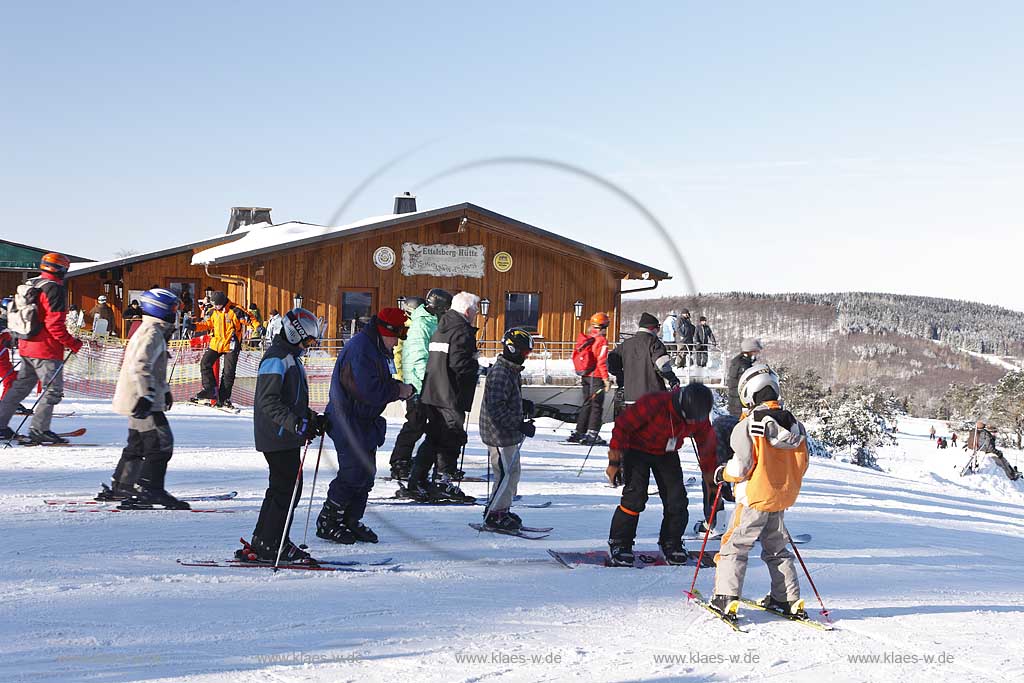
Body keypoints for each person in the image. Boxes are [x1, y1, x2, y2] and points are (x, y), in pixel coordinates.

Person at [709, 364, 809, 619]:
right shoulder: (796, 426)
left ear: (748, 394)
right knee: (777, 548)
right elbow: (803, 464)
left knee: (734, 546)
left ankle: (726, 597)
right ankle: (786, 598)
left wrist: (723, 473)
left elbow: (741, 466)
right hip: (781, 497)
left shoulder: (748, 425)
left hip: (754, 498)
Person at [317, 308, 415, 543]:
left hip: (363, 422)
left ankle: (350, 519)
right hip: (347, 420)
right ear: (386, 331)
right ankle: (329, 520)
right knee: (352, 473)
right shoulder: (362, 349)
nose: (397, 344)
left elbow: (378, 382)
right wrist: (398, 390)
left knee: (366, 474)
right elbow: (368, 390)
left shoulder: (377, 348)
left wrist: (397, 387)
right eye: (397, 337)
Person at [236, 307, 326, 562]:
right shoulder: (277, 358)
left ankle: (264, 539)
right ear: (294, 334)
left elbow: (291, 400)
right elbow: (269, 402)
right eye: (308, 340)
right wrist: (295, 423)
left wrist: (309, 418)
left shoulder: (289, 355)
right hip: (276, 435)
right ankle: (273, 544)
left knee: (282, 488)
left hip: (283, 433)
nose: (309, 346)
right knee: (286, 489)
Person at [605, 382, 716, 566]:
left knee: (677, 500)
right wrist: (615, 461)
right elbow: (622, 427)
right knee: (635, 497)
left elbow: (707, 447)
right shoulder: (654, 403)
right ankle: (620, 543)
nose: (691, 424)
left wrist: (711, 481)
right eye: (687, 419)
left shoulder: (698, 416)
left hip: (667, 453)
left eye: (694, 420)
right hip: (636, 450)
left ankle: (671, 542)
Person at [101, 288, 189, 508]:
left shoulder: (152, 329)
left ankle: (123, 485)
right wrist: (147, 396)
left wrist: (164, 389)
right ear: (159, 309)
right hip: (141, 399)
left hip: (138, 396)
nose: (175, 313)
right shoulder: (152, 332)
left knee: (138, 443)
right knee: (160, 443)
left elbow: (155, 368)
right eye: (173, 309)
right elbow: (140, 365)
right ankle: (150, 489)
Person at [405, 292, 481, 503]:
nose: (476, 314)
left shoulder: (442, 327)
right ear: (467, 311)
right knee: (451, 436)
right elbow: (459, 364)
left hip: (433, 391)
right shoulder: (461, 330)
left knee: (434, 436)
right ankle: (443, 481)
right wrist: (475, 364)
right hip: (450, 394)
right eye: (475, 310)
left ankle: (418, 479)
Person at [0, 253, 83, 444]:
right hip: (46, 350)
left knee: (20, 387)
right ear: (62, 269)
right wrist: (73, 343)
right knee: (53, 390)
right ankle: (39, 429)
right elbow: (55, 326)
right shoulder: (54, 289)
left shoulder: (33, 285)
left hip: (26, 344)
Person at [389, 289, 451, 480]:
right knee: (415, 423)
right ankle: (400, 462)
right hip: (418, 384)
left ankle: (428, 464)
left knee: (431, 425)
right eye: (445, 309)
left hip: (428, 383)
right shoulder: (421, 324)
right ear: (437, 307)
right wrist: (423, 384)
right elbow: (418, 358)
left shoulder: (431, 322)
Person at [479, 328, 536, 531]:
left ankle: (502, 509)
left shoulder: (510, 370)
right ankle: (495, 514)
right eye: (524, 353)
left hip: (507, 433)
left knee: (513, 473)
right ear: (512, 349)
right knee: (504, 474)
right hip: (498, 434)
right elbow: (496, 408)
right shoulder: (501, 373)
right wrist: (520, 424)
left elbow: (507, 399)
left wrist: (523, 404)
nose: (526, 357)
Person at [608, 312, 679, 406]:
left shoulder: (625, 344)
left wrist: (621, 376)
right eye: (658, 329)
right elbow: (662, 366)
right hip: (653, 397)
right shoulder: (654, 343)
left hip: (631, 398)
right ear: (652, 328)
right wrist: (673, 380)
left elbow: (611, 361)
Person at [189, 291, 246, 408]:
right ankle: (210, 390)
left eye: (217, 305)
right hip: (216, 343)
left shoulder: (235, 310)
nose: (215, 307)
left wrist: (258, 327)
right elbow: (207, 324)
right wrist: (194, 326)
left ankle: (223, 398)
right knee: (205, 363)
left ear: (223, 303)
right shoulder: (213, 312)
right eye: (214, 305)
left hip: (231, 344)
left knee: (228, 372)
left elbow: (249, 318)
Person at [566, 312, 611, 446]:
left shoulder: (587, 337)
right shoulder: (601, 340)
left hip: (585, 375)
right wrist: (606, 379)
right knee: (597, 406)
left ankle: (580, 431)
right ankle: (592, 433)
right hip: (596, 377)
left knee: (587, 403)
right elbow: (601, 361)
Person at [726, 338, 763, 417]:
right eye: (756, 352)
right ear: (750, 351)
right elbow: (746, 385)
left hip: (735, 403)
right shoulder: (744, 365)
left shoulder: (738, 361)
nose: (757, 354)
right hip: (739, 405)